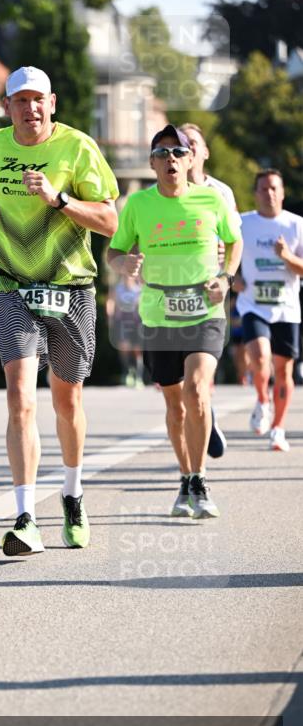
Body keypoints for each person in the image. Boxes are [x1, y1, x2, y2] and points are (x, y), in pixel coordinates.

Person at [0, 65, 119, 556]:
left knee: (66, 401)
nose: (30, 109)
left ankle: (72, 493)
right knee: (20, 396)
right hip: (11, 284)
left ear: (53, 103)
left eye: (37, 100)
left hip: (71, 285)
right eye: (20, 101)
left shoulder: (78, 148)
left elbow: (111, 219)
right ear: (7, 108)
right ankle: (25, 516)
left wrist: (60, 199)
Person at [107, 125, 243, 520]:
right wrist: (124, 263)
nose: (171, 160)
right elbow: (115, 252)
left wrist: (226, 278)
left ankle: (199, 480)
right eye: (162, 154)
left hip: (204, 312)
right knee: (175, 404)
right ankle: (185, 477)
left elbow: (234, 241)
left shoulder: (211, 199)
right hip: (159, 316)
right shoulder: (136, 206)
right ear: (151, 163)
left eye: (178, 153)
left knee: (197, 390)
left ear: (190, 160)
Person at [180, 122, 238, 458]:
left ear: (203, 152)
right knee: (177, 382)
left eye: (193, 143)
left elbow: (235, 240)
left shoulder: (221, 192)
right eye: (180, 142)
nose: (185, 148)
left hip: (209, 289)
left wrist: (227, 271)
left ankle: (204, 412)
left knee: (201, 370)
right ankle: (202, 412)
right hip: (169, 290)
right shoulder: (165, 188)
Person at [235, 169, 303, 451]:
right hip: (253, 304)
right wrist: (231, 279)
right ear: (256, 193)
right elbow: (223, 254)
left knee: (283, 370)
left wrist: (286, 256)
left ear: (282, 192)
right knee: (260, 356)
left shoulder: (296, 225)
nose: (269, 193)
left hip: (286, 308)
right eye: (263, 188)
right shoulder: (242, 224)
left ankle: (278, 428)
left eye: (274, 188)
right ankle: (263, 399)